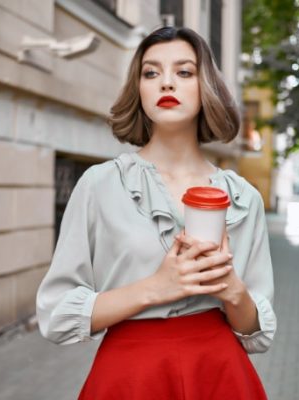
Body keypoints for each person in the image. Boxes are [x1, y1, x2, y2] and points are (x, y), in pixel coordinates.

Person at [36, 26, 276, 399]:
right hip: (130, 375)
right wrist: (154, 288)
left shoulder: (243, 197)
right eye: (151, 73)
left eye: (184, 72)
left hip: (218, 373)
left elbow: (256, 334)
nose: (166, 83)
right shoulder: (100, 184)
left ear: (205, 86)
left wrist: (232, 290)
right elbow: (56, 315)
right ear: (139, 89)